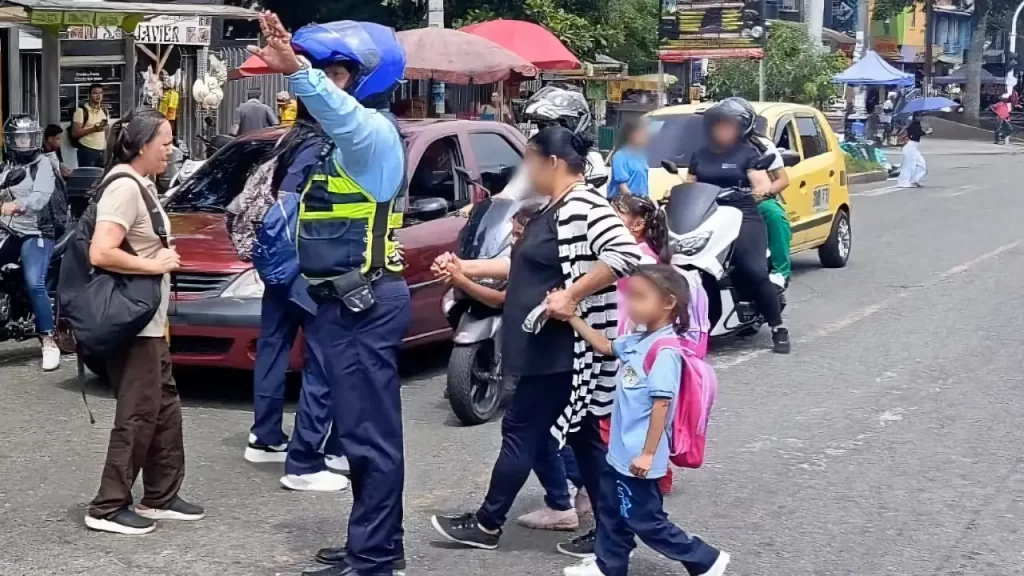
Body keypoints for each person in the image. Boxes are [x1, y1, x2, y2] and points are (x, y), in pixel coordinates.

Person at [430, 126, 642, 557]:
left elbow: (626, 254)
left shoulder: (584, 205)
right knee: (582, 437)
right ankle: (611, 532)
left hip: (561, 348)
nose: (524, 168)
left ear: (552, 163)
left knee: (521, 430)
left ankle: (488, 522)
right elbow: (520, 266)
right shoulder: (556, 206)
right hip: (547, 347)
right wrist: (464, 266)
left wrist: (572, 294)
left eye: (529, 159)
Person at [248, 13, 408, 576]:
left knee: (370, 442)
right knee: (360, 440)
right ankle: (374, 542)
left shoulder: (374, 137)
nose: (320, 84)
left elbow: (344, 115)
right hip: (336, 307)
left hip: (364, 305)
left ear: (362, 81)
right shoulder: (329, 146)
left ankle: (376, 558)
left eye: (331, 73)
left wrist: (298, 71)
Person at [561, 264, 731, 576]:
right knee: (611, 511)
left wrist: (649, 453)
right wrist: (571, 315)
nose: (630, 305)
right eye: (629, 297)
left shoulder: (664, 351)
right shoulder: (639, 340)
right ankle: (609, 566)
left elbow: (662, 405)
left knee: (645, 520)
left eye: (639, 297)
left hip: (639, 458)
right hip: (620, 453)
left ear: (668, 303)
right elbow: (604, 345)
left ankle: (704, 559)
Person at [84, 108, 204, 536]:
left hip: (150, 324)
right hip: (133, 326)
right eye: (165, 141)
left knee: (164, 408)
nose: (171, 149)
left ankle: (161, 495)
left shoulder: (143, 184)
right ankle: (108, 506)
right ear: (139, 146)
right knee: (138, 413)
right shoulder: (124, 188)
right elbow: (100, 252)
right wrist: (156, 266)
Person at [240, 104, 349, 493]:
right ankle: (317, 451)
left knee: (273, 346)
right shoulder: (322, 145)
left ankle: (264, 435)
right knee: (325, 353)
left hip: (276, 260)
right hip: (306, 261)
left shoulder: (289, 140)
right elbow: (300, 201)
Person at [687, 98, 789, 354]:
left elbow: (762, 184)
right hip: (708, 214)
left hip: (743, 215)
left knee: (753, 269)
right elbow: (690, 184)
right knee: (696, 266)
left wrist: (752, 192)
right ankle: (701, 326)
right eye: (718, 124)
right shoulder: (699, 154)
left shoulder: (749, 153)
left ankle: (778, 327)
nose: (721, 129)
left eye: (727, 125)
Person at [1, 114, 61, 371]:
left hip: (37, 233)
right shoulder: (5, 166)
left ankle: (48, 340)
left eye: (28, 137)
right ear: (11, 141)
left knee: (34, 282)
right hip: (8, 231)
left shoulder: (44, 164)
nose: (25, 142)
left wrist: (15, 205)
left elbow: (40, 198)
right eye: (20, 138)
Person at [608, 120, 650, 198]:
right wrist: (634, 201)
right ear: (631, 135)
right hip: (626, 204)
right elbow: (623, 187)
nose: (645, 136)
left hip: (640, 202)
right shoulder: (620, 156)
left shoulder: (641, 155)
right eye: (641, 133)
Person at [72, 84, 109, 168]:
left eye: (100, 93)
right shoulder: (81, 111)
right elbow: (75, 133)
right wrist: (93, 129)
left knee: (101, 178)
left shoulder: (104, 111)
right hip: (87, 150)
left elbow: (107, 131)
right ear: (89, 95)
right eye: (95, 93)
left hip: (102, 150)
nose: (98, 95)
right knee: (88, 177)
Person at [897, 116, 927, 188]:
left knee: (921, 164)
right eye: (920, 116)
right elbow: (916, 133)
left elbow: (918, 133)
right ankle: (903, 182)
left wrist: (925, 132)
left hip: (914, 146)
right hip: (910, 146)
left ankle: (914, 180)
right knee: (909, 165)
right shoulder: (914, 124)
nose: (921, 118)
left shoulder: (916, 124)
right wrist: (926, 132)